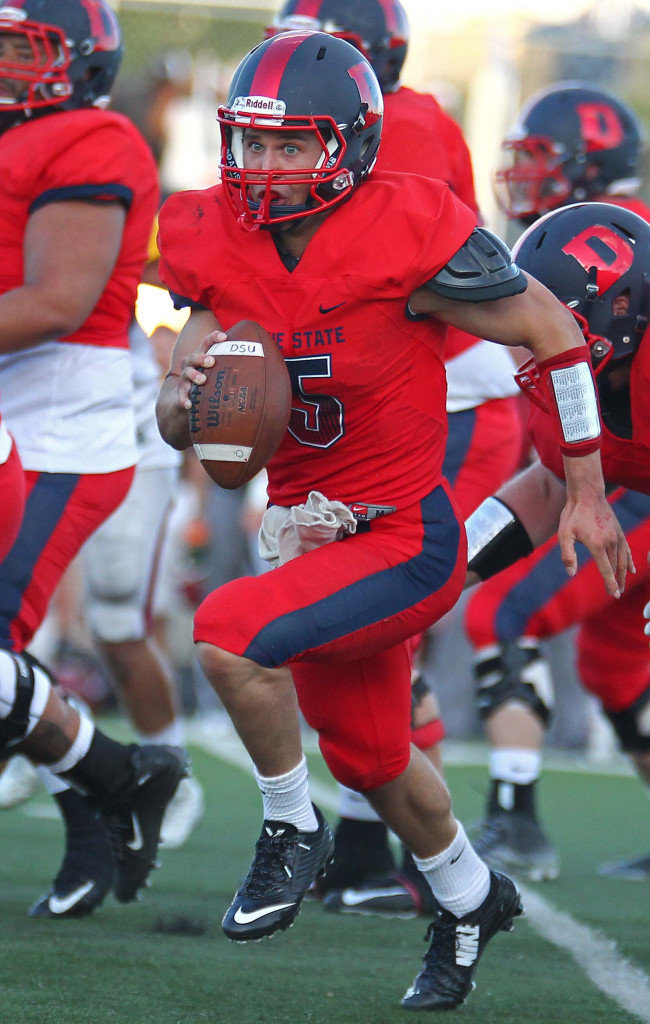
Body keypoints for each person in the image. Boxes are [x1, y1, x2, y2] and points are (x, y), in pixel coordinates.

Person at [155, 32, 629, 1010]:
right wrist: (187, 391)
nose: (267, 166)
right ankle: (468, 895)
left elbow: (552, 333)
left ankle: (289, 829)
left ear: (352, 144)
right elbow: (178, 422)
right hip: (301, 528)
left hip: (398, 536)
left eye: (294, 146)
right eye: (253, 143)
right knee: (370, 756)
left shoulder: (410, 228)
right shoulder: (210, 234)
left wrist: (580, 485)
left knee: (227, 634)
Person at [265, 0, 526, 919]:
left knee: (384, 626)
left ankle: (396, 858)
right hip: (392, 406)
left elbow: (364, 290)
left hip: (443, 401)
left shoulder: (407, 128)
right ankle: (386, 854)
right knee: (356, 635)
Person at [0, 0, 176, 916]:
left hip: (59, 427)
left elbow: (56, 299)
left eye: (18, 49)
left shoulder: (91, 137)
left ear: (78, 60)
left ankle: (114, 782)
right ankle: (114, 782)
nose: (1, 65)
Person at [464, 83, 650, 882]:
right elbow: (550, 479)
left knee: (509, 613)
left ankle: (516, 820)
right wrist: (446, 555)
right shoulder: (563, 286)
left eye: (542, 160)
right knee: (614, 665)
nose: (532, 351)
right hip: (623, 490)